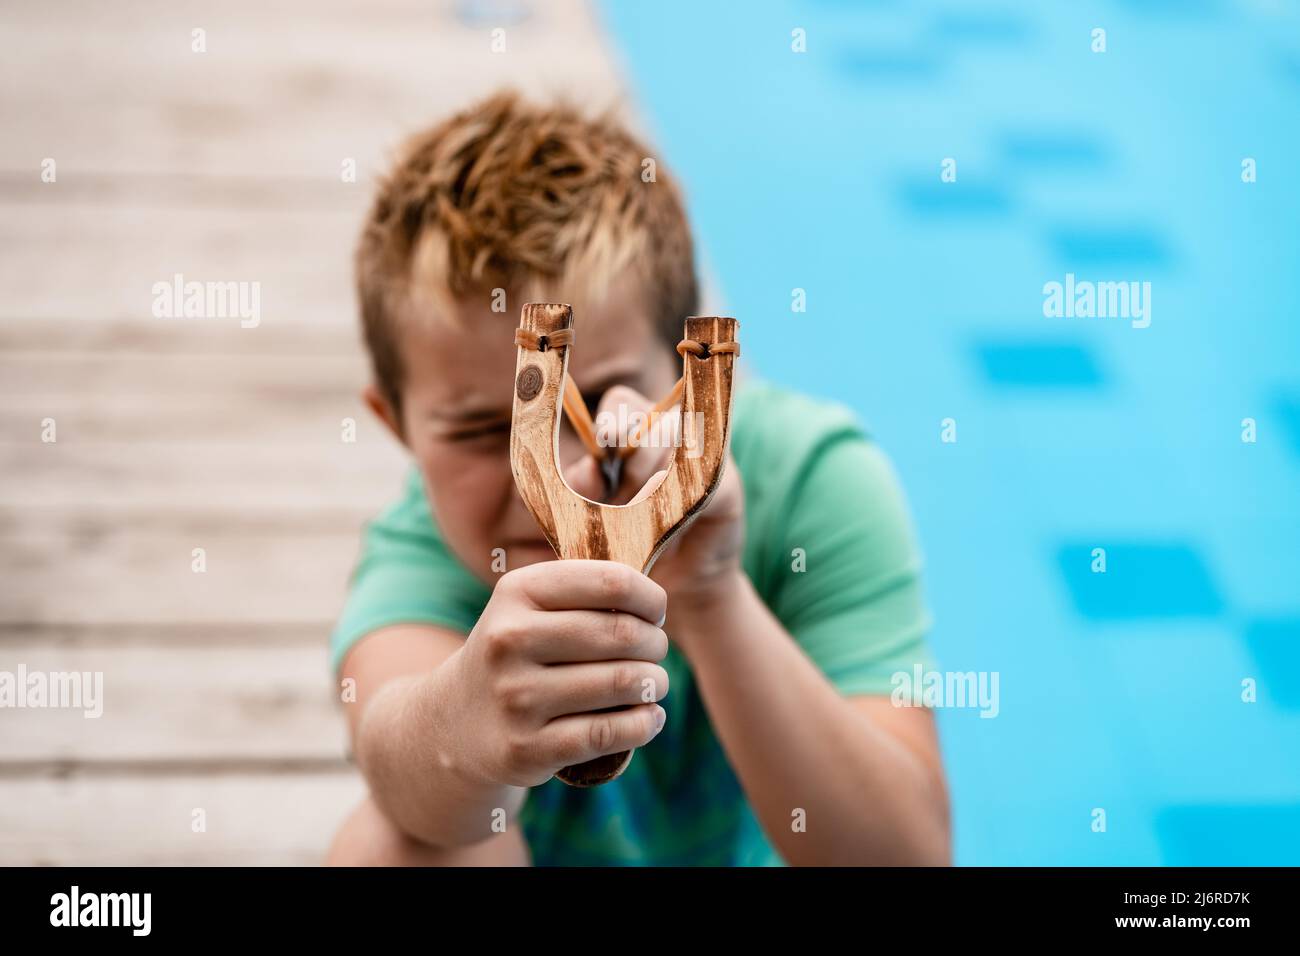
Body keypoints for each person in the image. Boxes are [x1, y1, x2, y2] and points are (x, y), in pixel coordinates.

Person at [325, 90, 950, 866]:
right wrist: (463, 723)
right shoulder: (428, 546)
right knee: (389, 849)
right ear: (396, 426)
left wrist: (711, 586)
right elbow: (399, 760)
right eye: (489, 431)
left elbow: (905, 856)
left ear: (689, 381)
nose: (554, 476)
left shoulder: (810, 475)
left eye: (599, 405)